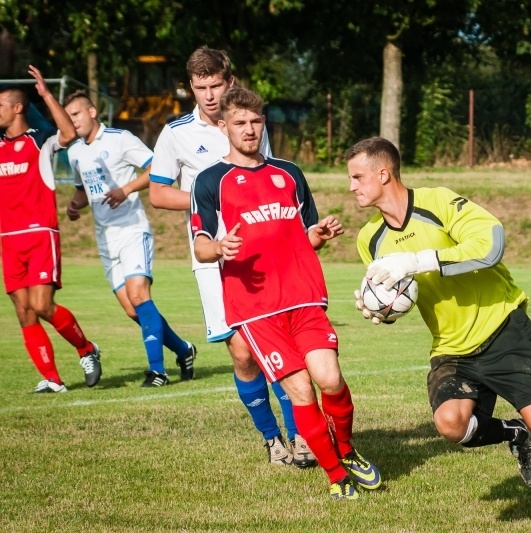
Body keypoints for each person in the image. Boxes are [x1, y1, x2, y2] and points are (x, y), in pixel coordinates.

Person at [346, 137, 531, 532]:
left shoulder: (438, 202)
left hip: (501, 329)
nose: (352, 186)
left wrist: (420, 260)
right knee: (451, 425)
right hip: (451, 347)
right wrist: (383, 308)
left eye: (358, 177)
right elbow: (404, 293)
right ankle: (513, 434)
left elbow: (491, 244)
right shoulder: (369, 239)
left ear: (383, 173)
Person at [192, 86, 380, 500]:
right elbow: (200, 243)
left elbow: (305, 233)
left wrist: (320, 233)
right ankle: (335, 476)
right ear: (223, 126)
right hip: (256, 309)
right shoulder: (210, 181)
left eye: (256, 121)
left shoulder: (289, 173)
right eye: (239, 122)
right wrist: (219, 248)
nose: (249, 129)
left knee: (330, 379)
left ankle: (345, 450)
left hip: (304, 296)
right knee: (300, 391)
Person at [148, 46, 313, 467]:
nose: (207, 94)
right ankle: (272, 438)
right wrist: (218, 197)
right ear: (190, 88)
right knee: (242, 351)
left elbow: (268, 176)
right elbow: (159, 193)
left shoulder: (249, 122)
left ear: (230, 82)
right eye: (200, 87)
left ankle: (300, 437)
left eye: (215, 85)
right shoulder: (174, 133)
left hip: (261, 256)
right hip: (211, 257)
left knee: (273, 345)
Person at [62, 91, 196, 387]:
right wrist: (75, 205)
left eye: (76, 114)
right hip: (105, 239)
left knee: (139, 296)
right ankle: (183, 349)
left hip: (133, 229)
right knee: (131, 308)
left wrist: (125, 189)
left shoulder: (119, 138)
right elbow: (83, 190)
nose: (72, 120)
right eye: (68, 116)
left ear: (93, 112)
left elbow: (155, 169)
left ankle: (157, 371)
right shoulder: (74, 152)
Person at [0, 66, 102, 393]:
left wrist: (45, 95)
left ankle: (87, 349)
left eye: (0, 105)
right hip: (8, 239)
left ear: (17, 107)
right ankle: (52, 379)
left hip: (40, 234)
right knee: (24, 311)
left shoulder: (39, 141)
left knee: (42, 305)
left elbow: (69, 134)